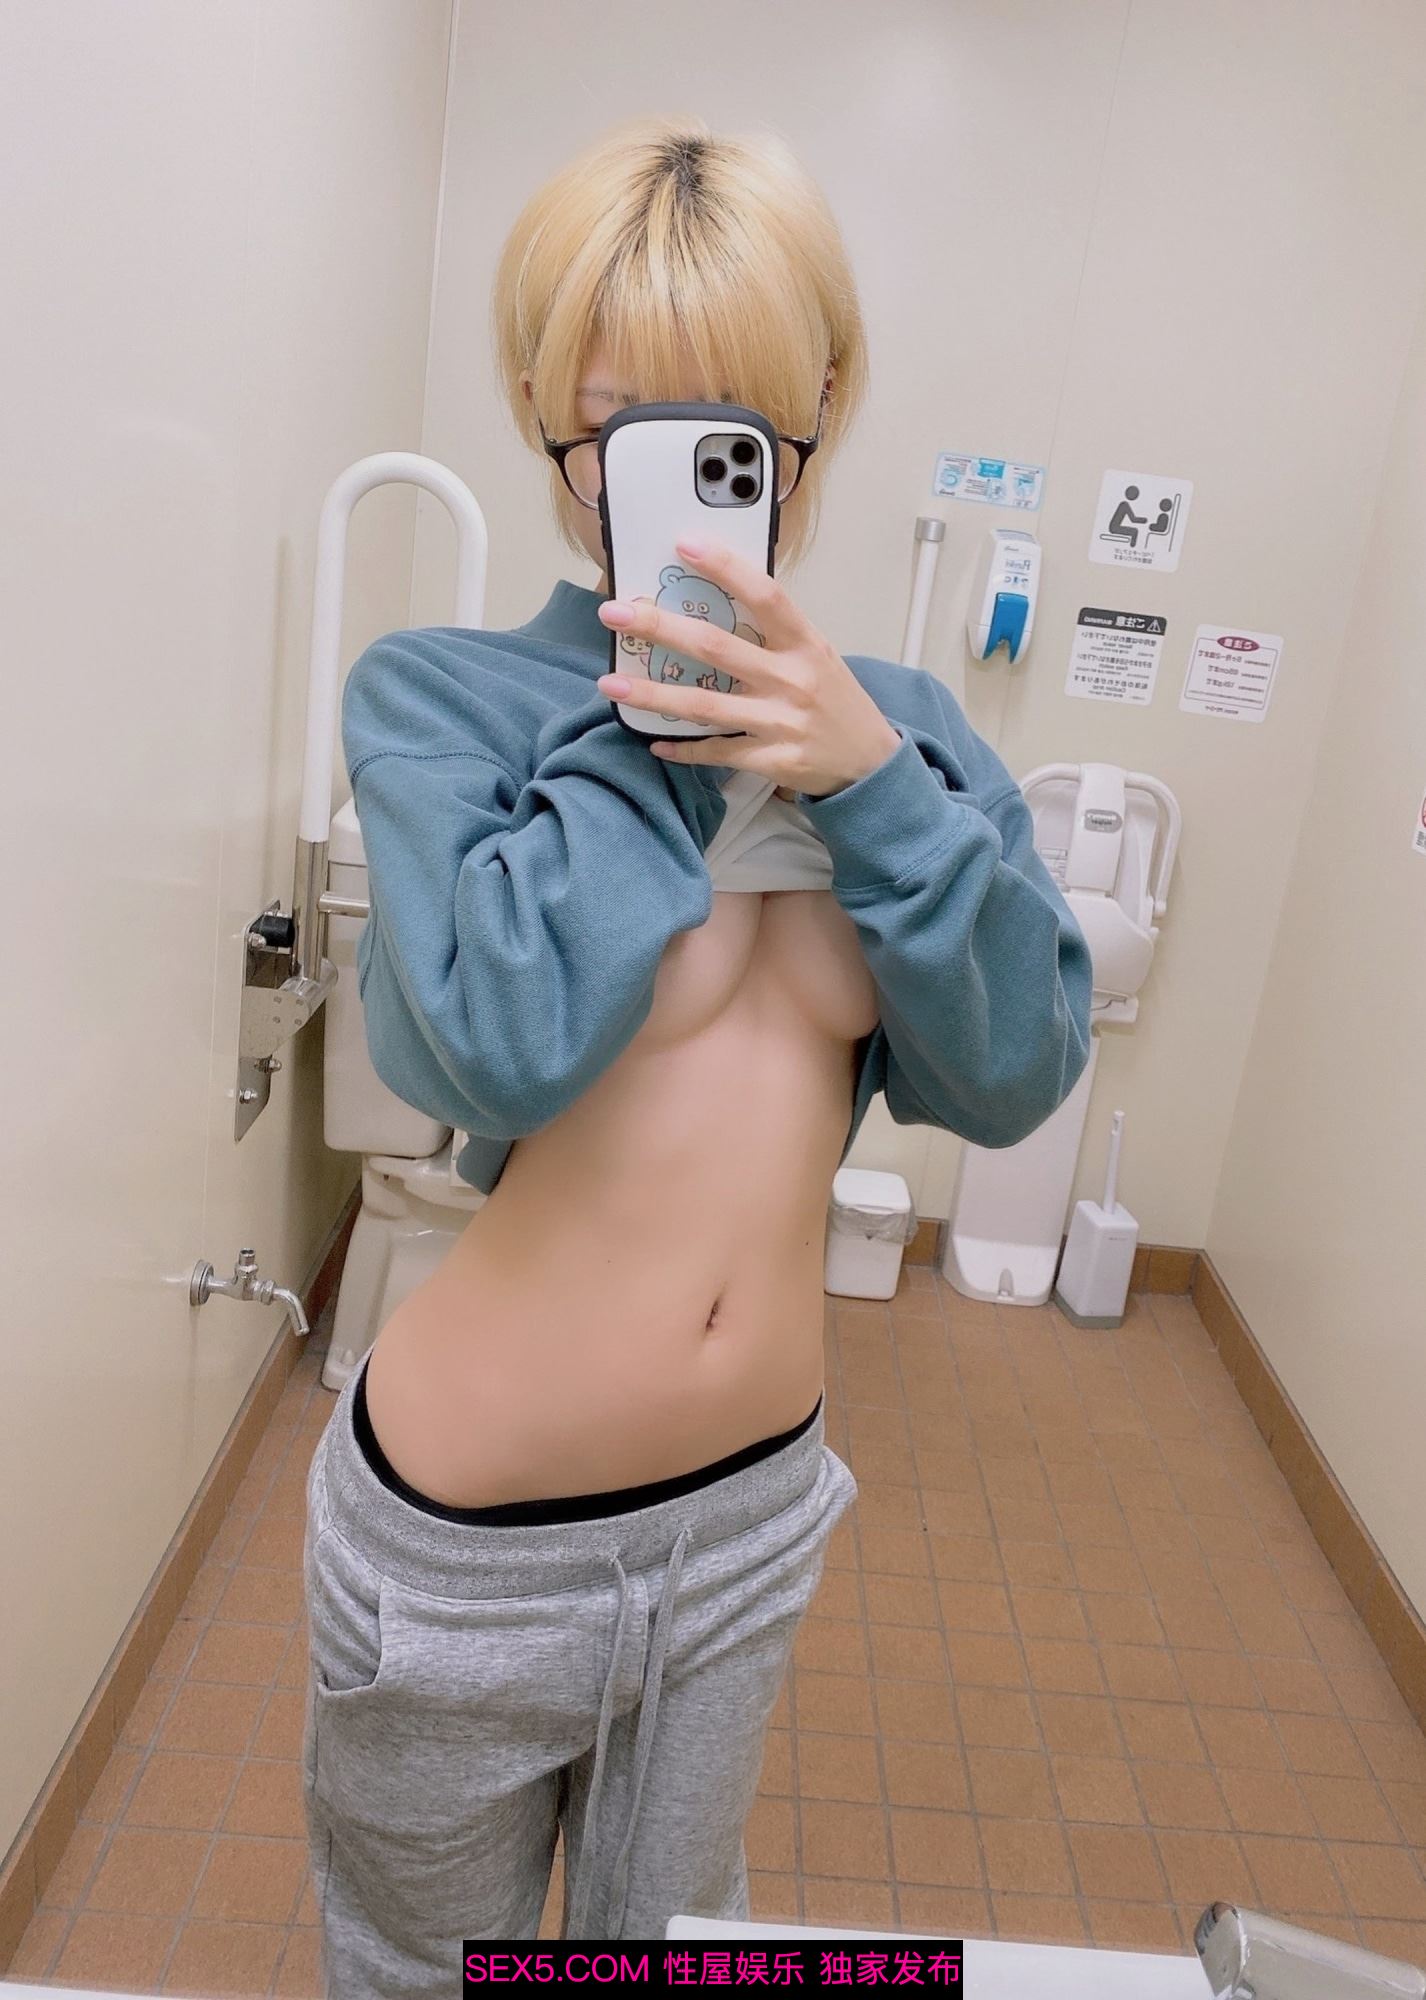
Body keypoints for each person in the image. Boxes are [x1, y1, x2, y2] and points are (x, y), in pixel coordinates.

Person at [302, 114, 1093, 1984]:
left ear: (820, 405)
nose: (677, 479)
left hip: (745, 1519)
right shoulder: (441, 699)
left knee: (668, 1959)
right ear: (543, 417)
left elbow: (1010, 1076)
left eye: (731, 426)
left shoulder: (908, 740)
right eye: (619, 426)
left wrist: (868, 782)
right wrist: (656, 721)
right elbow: (487, 1053)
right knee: (421, 1976)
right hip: (466, 1547)